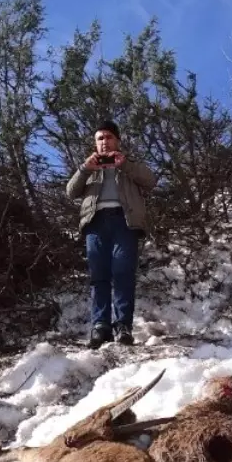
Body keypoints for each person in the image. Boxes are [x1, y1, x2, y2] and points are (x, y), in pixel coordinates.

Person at [66, 120, 157, 349]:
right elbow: (71, 192)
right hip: (95, 223)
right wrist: (86, 168)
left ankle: (123, 326)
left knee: (123, 272)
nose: (104, 142)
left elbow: (150, 181)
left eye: (108, 137)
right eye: (100, 138)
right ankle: (100, 326)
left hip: (124, 222)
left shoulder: (129, 165)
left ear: (117, 140)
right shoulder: (88, 168)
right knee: (99, 276)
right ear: (95, 144)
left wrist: (124, 165)